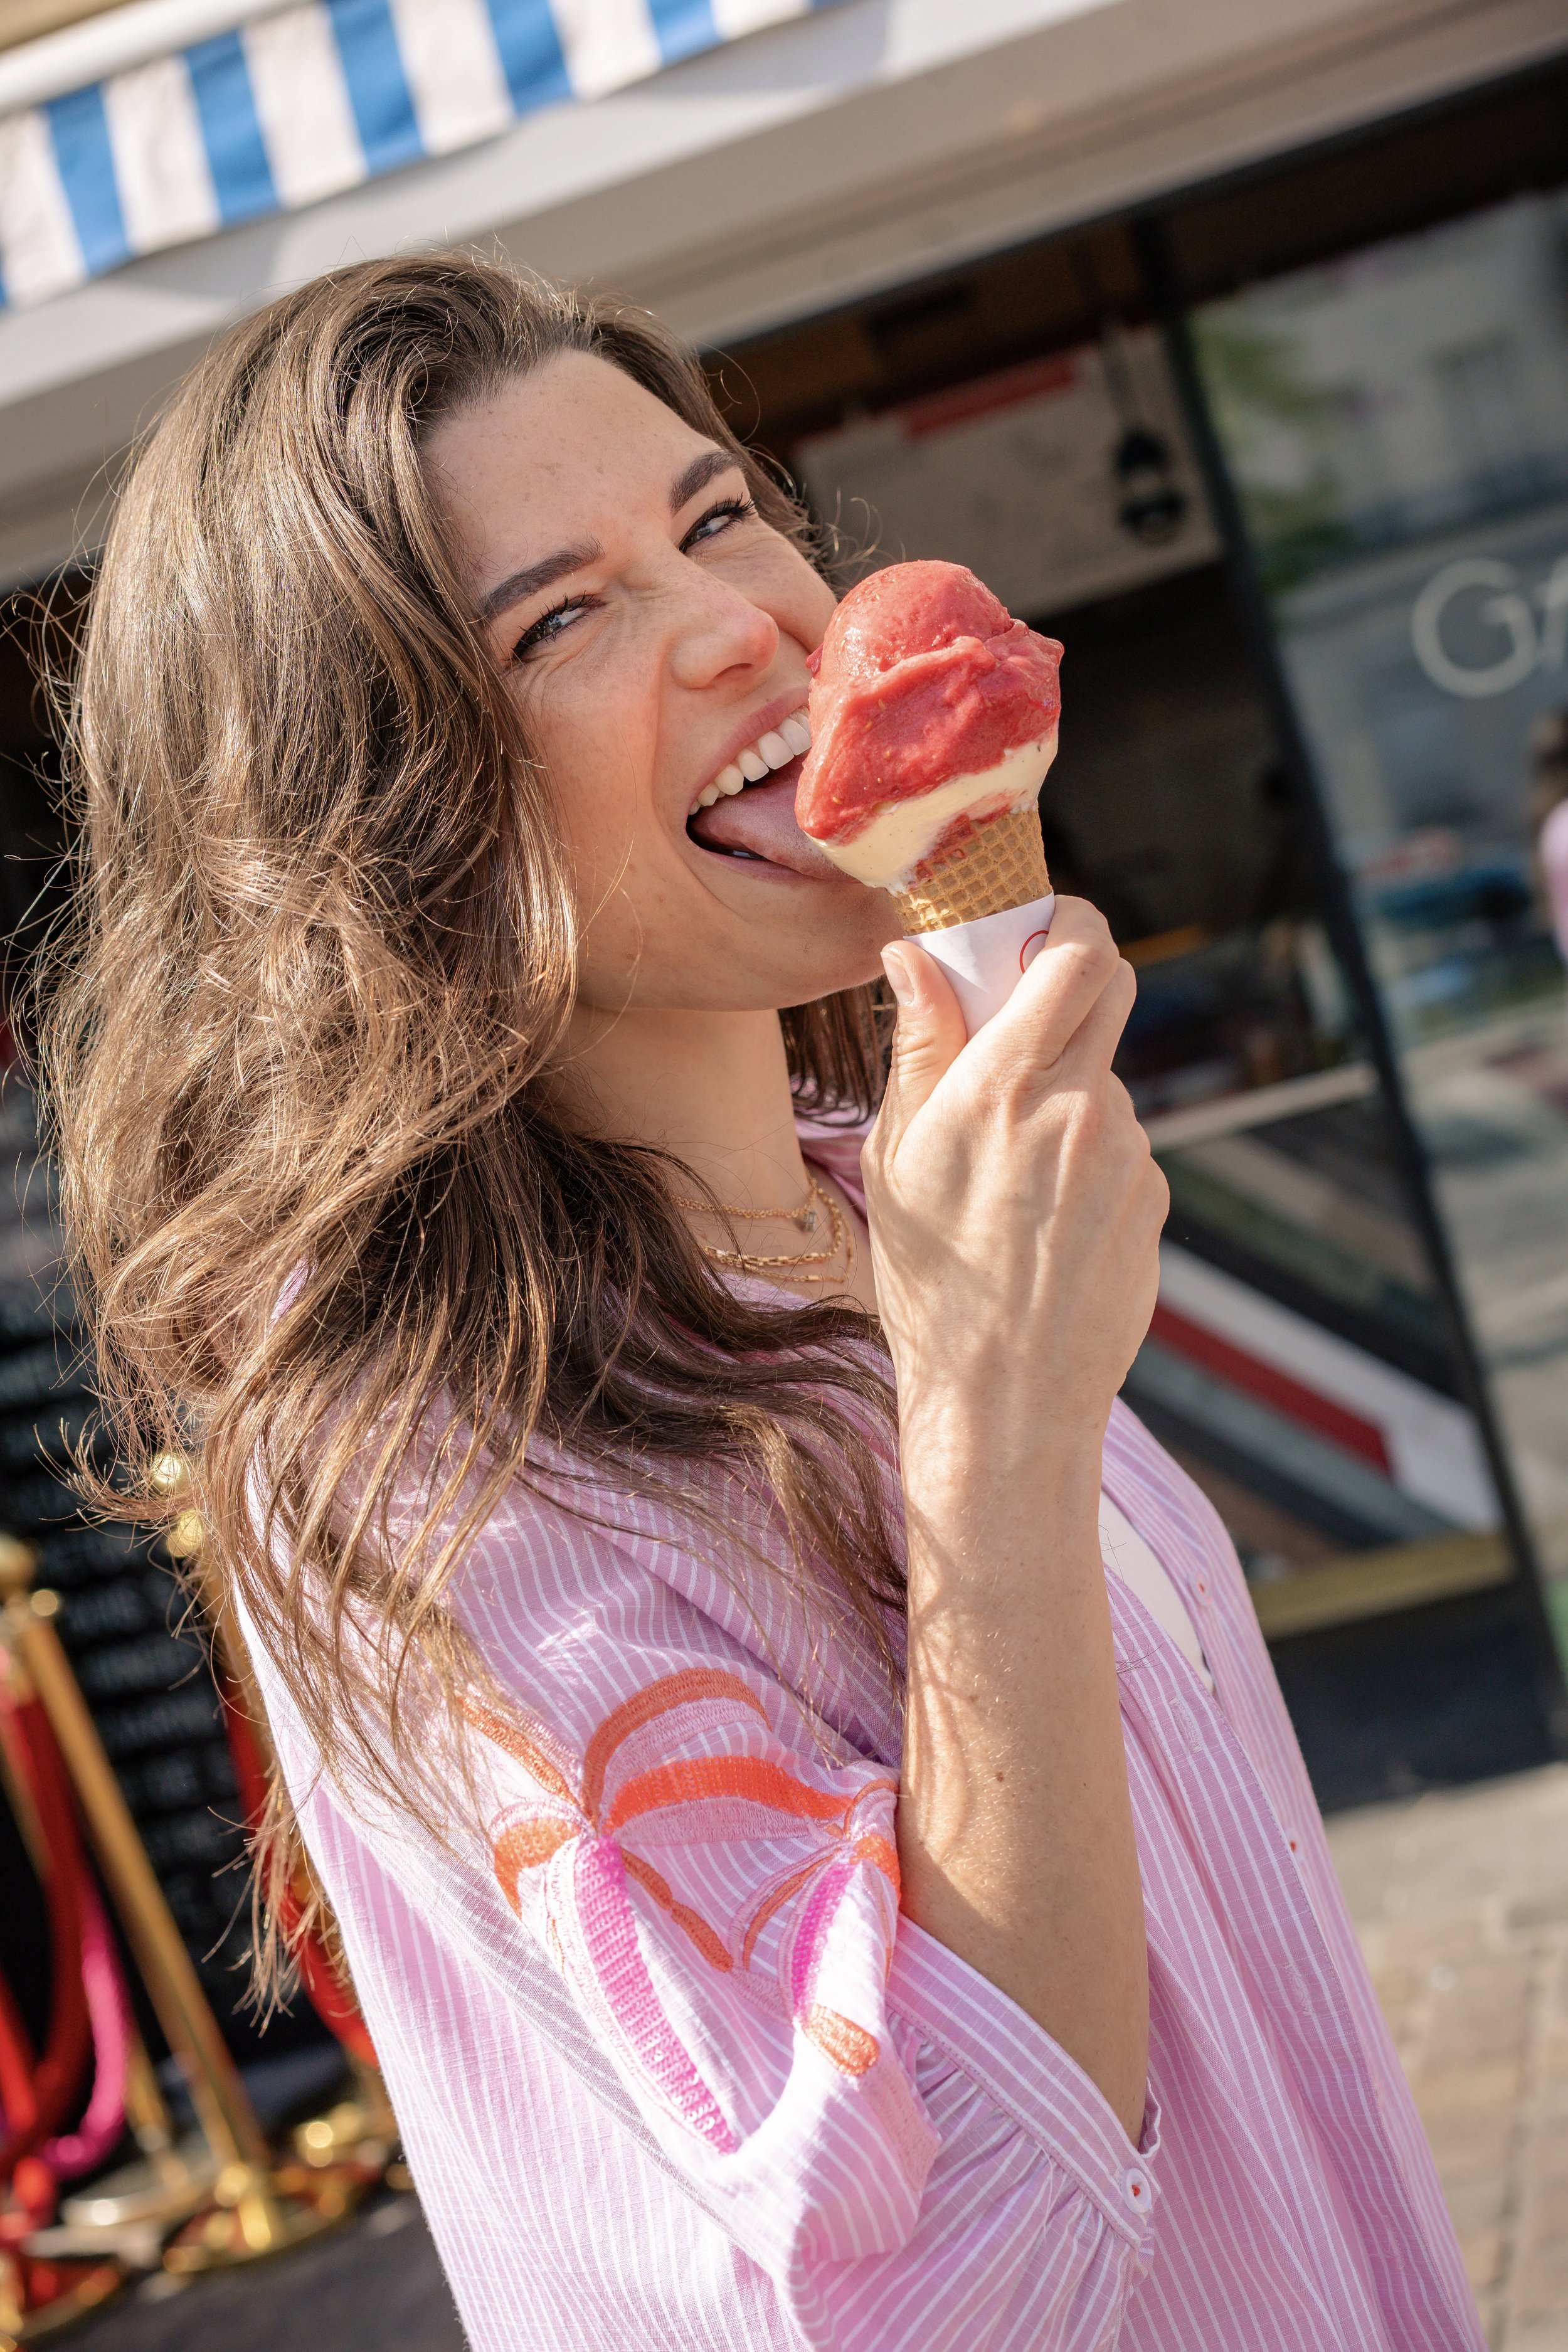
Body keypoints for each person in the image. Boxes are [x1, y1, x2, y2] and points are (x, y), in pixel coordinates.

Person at [45, 256, 1481, 2351]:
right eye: (562, 616)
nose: (752, 621)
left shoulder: (868, 1203)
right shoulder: (435, 1466)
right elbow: (945, 2286)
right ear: (386, 824)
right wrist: (990, 1442)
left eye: (718, 517)